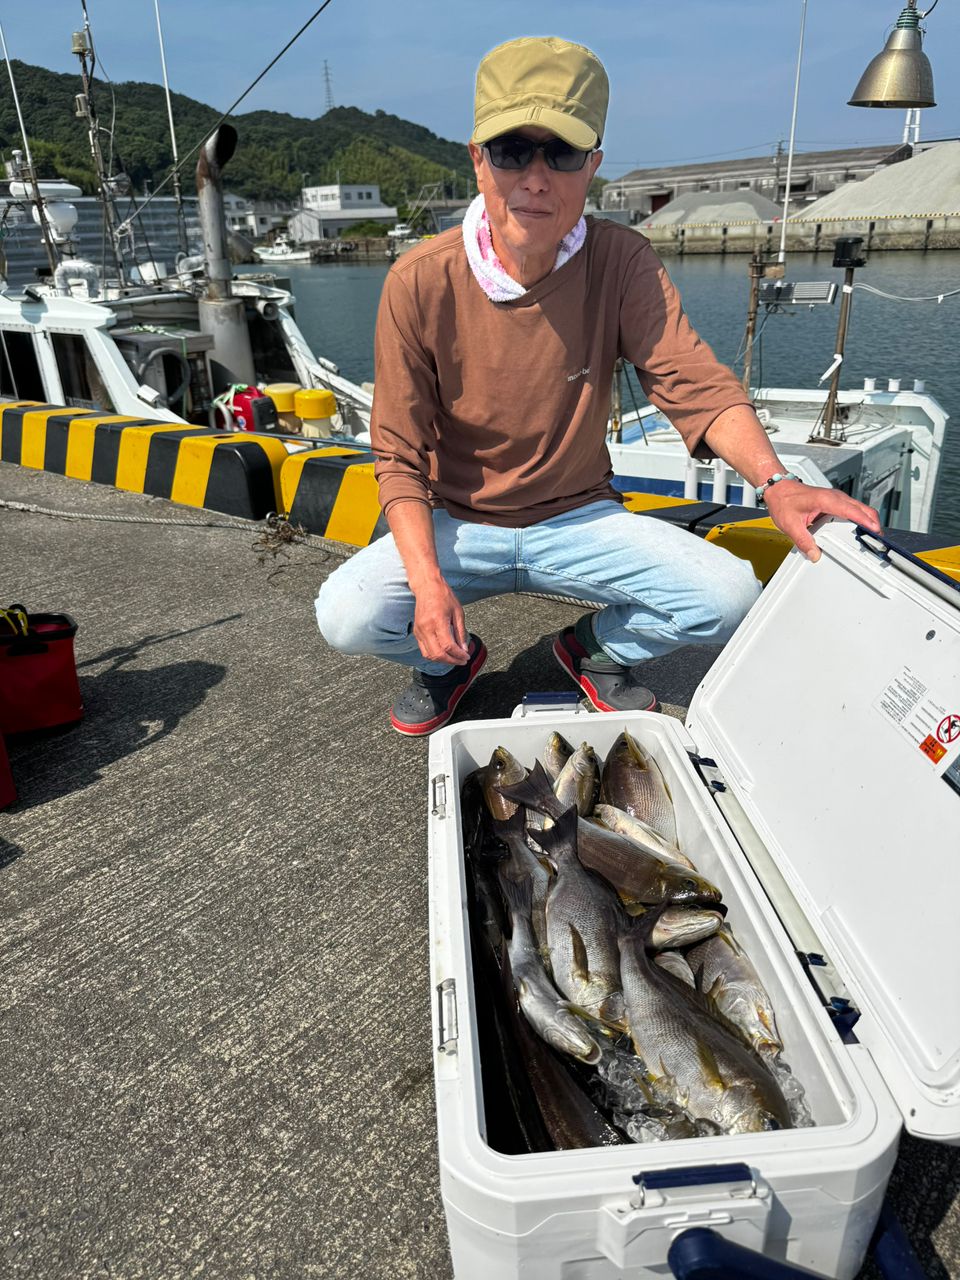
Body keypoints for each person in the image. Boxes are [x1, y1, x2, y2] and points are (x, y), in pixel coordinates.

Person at [315, 35, 880, 736]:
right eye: (511, 149)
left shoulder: (623, 261)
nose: (536, 176)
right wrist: (428, 584)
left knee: (728, 595)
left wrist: (775, 481)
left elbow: (692, 380)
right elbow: (397, 451)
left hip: (579, 517)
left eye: (563, 152)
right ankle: (447, 666)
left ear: (594, 168)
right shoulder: (419, 280)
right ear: (476, 159)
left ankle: (594, 648)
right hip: (457, 518)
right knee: (346, 613)